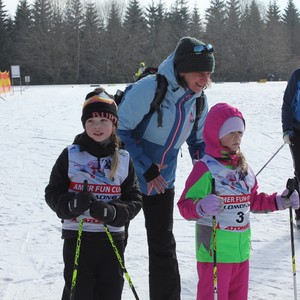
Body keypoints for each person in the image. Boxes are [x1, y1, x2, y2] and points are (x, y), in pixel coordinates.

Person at [117, 36, 215, 300]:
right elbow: (119, 130)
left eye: (208, 73)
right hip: (125, 181)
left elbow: (199, 141)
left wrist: (204, 171)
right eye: (200, 73)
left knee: (163, 246)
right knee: (114, 243)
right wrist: (145, 167)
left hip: (162, 182)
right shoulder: (151, 88)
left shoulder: (198, 100)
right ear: (182, 69)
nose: (205, 79)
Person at [177, 102, 300, 300]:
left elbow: (252, 201)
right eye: (231, 132)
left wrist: (280, 201)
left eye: (240, 132)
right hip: (214, 252)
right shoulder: (205, 168)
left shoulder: (242, 167)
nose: (237, 137)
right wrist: (201, 206)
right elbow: (184, 206)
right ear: (216, 133)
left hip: (241, 252)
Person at [45, 91, 143, 300]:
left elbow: (134, 199)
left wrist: (113, 211)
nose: (96, 126)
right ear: (84, 124)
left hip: (112, 237)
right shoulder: (71, 155)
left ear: (114, 124)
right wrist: (71, 205)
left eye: (102, 120)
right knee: (78, 290)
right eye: (90, 120)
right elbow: (53, 191)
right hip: (77, 236)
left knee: (110, 290)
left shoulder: (124, 158)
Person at [281, 68, 300, 229]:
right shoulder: (297, 76)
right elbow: (287, 104)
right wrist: (287, 130)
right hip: (297, 131)